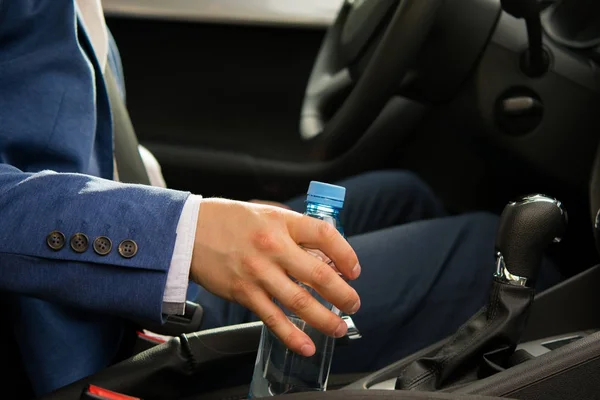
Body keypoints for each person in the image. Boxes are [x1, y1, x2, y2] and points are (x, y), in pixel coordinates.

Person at [0, 1, 562, 397]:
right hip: (99, 326)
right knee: (481, 254)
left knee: (405, 196)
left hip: (119, 253)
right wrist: (179, 235)